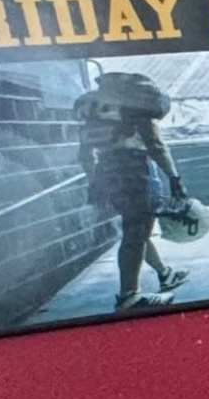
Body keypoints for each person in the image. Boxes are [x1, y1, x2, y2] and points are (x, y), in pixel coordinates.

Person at [73, 68, 189, 314]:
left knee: (135, 227)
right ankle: (129, 296)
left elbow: (84, 153)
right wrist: (174, 178)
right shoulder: (134, 105)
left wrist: (93, 180)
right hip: (134, 168)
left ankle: (165, 274)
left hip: (106, 168)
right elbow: (156, 145)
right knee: (136, 231)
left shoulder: (90, 107)